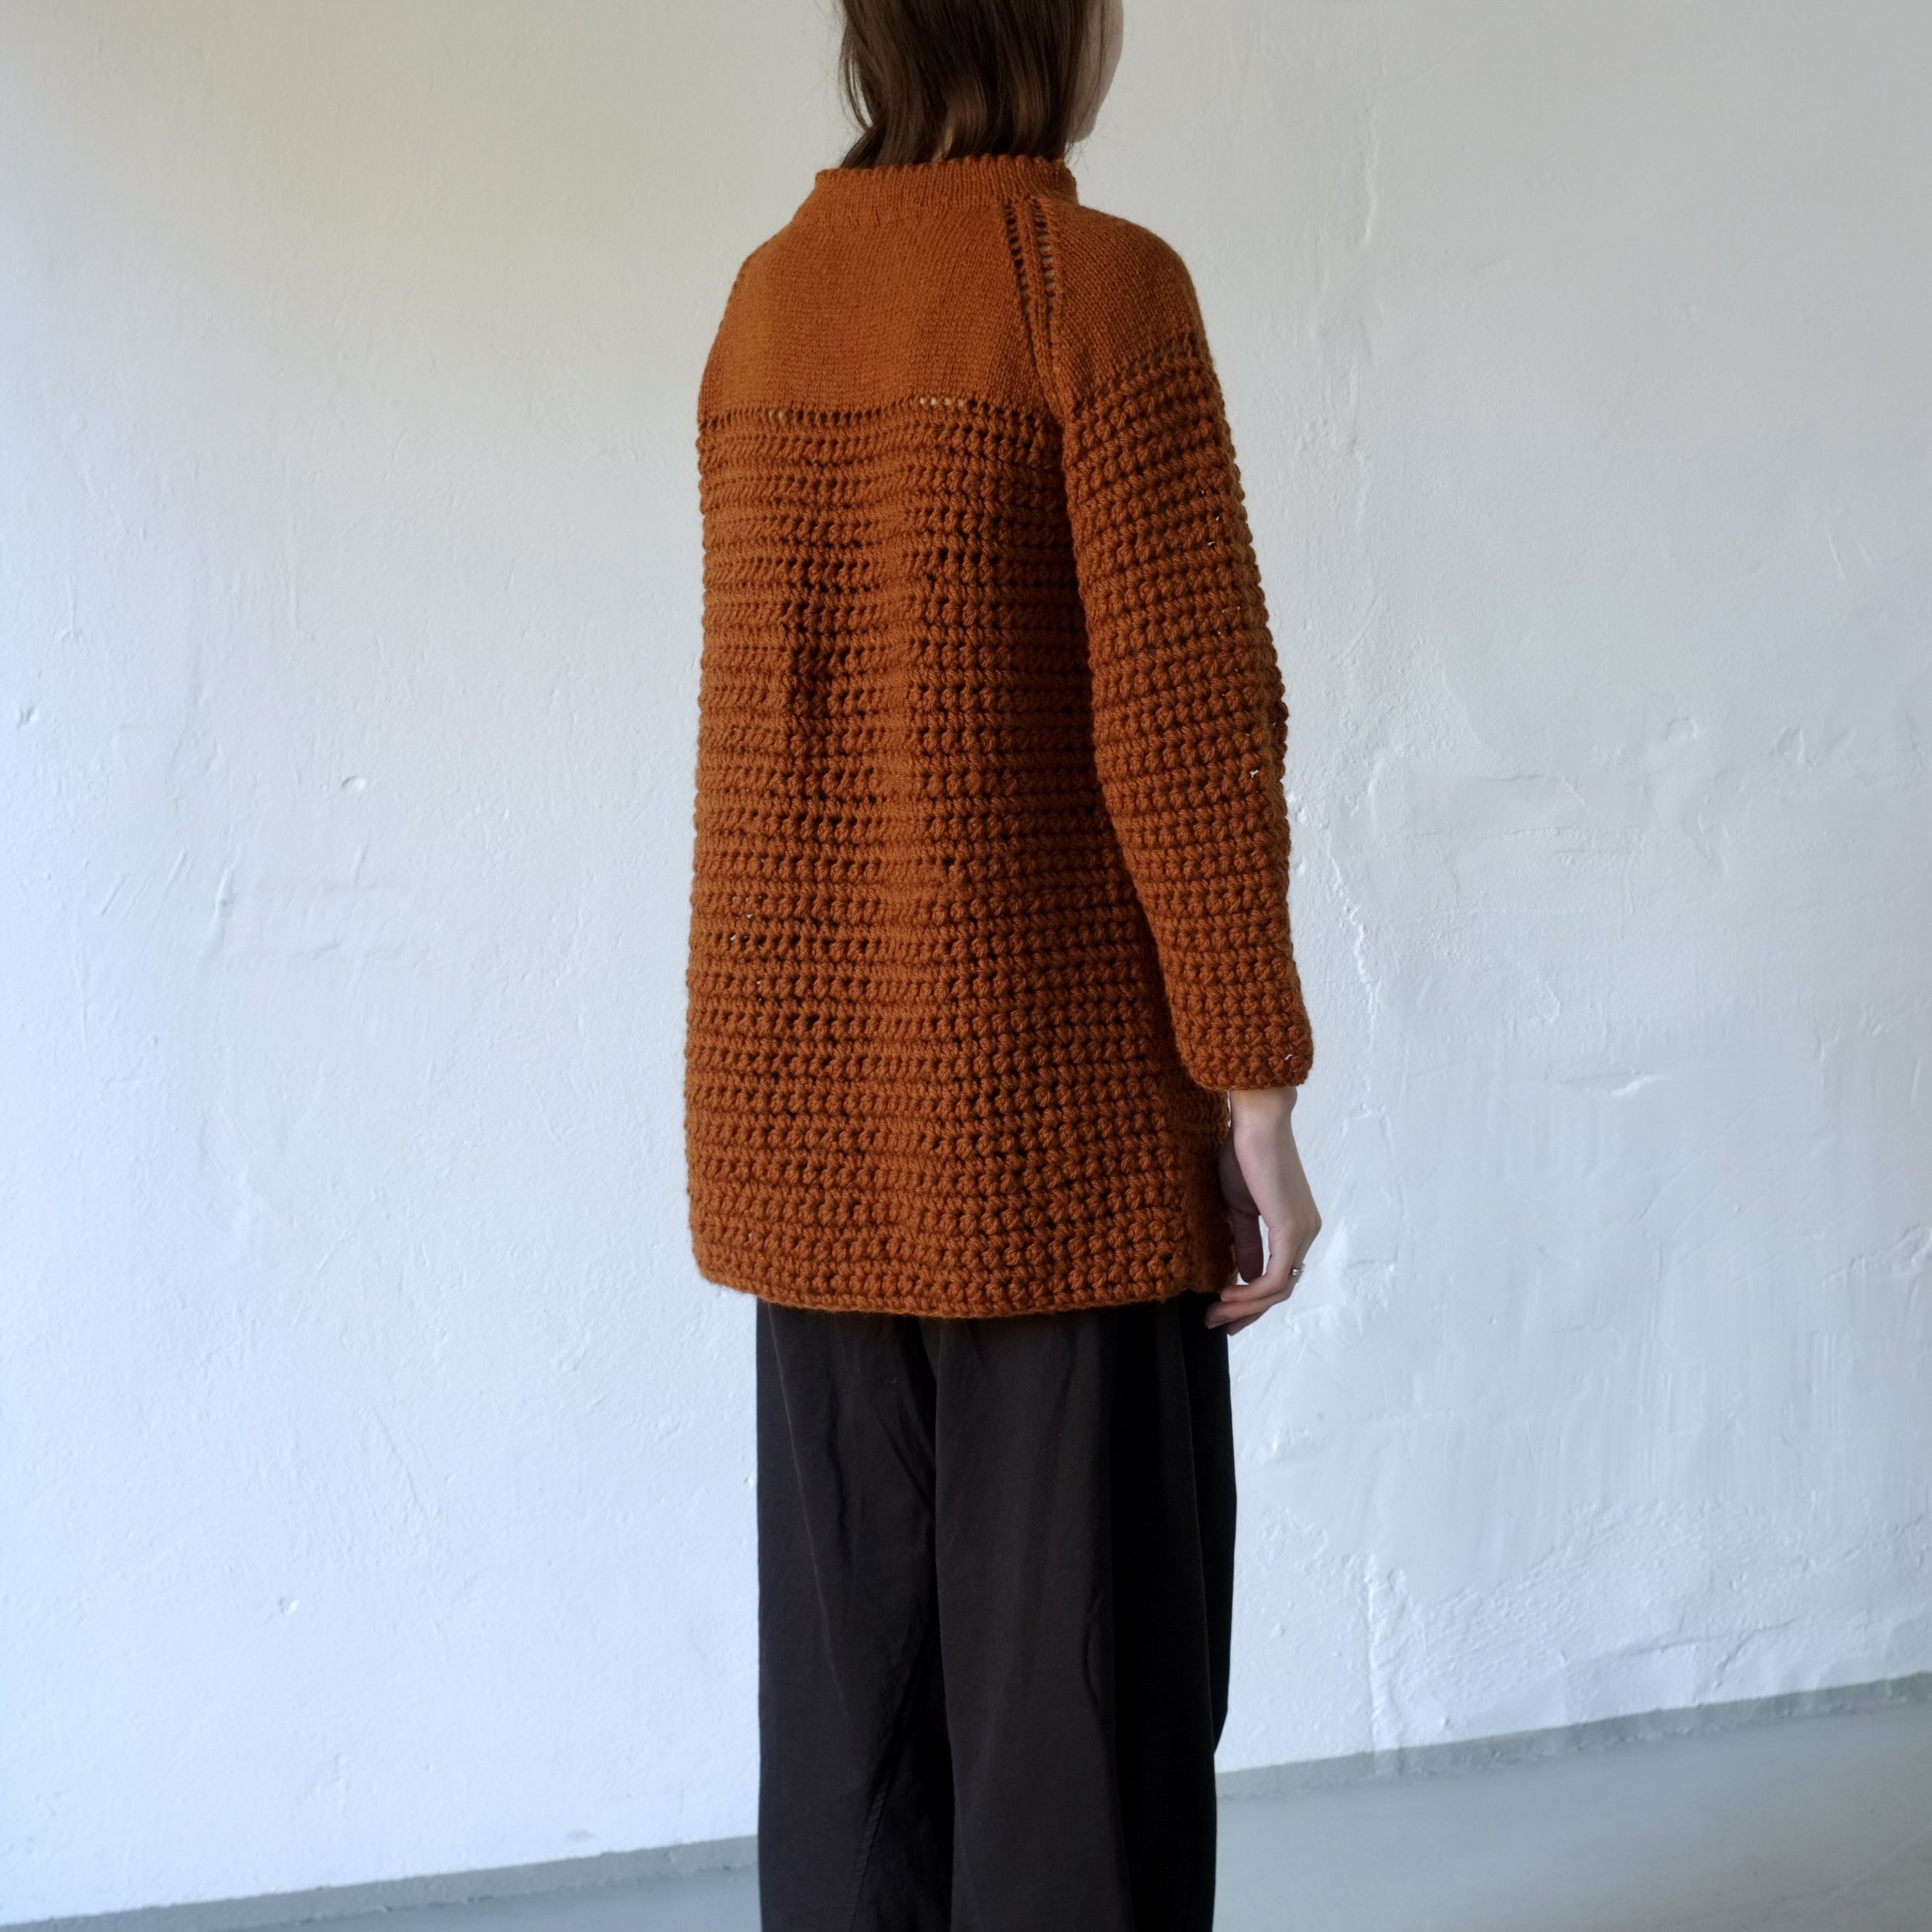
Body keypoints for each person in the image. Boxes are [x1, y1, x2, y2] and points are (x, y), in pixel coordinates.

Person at [683, 0, 1321, 1923]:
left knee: (857, 1745)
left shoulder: (764, 305)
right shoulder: (1092, 293)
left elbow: (779, 736)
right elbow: (1188, 726)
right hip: (1057, 1158)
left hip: (813, 1154)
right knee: (1078, 1746)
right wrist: (1256, 1092)